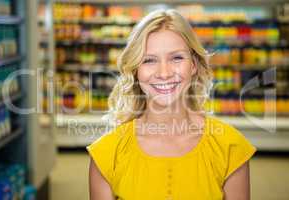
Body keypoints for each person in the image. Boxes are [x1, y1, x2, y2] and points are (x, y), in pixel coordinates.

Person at [87, 9, 256, 200]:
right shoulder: (107, 154)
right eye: (149, 60)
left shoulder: (230, 148)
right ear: (135, 70)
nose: (164, 73)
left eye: (176, 58)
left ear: (193, 65)